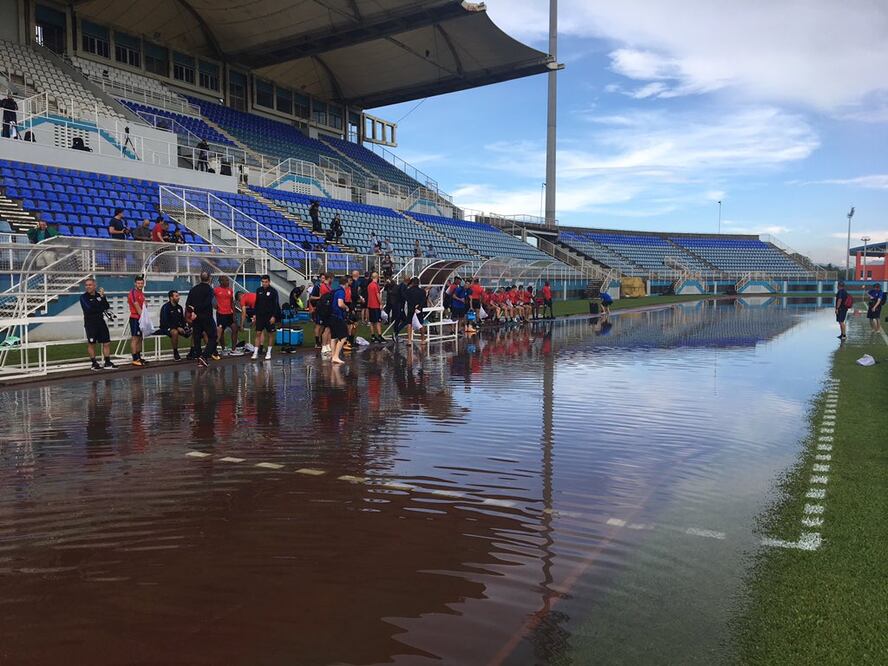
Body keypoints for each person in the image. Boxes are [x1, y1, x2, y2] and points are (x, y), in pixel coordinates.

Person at [80, 278, 116, 370]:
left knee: (106, 342)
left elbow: (106, 306)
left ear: (94, 286)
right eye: (86, 285)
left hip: (101, 322)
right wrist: (99, 304)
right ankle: (94, 363)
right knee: (92, 344)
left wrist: (102, 297)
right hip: (90, 324)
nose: (88, 287)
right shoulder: (83, 297)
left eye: (90, 285)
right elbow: (89, 309)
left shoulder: (99, 295)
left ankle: (107, 362)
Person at [186, 271, 219, 366]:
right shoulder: (209, 289)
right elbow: (206, 303)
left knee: (197, 338)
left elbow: (188, 304)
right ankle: (204, 356)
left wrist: (193, 312)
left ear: (200, 278)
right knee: (213, 336)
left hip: (196, 317)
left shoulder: (193, 289)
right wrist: (197, 310)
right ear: (209, 279)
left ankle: (199, 357)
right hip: (206, 316)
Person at [252, 275, 281, 361]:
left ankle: (268, 352)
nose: (264, 283)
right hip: (260, 316)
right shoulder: (259, 290)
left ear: (269, 282)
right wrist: (255, 315)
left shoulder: (273, 291)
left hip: (269, 316)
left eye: (266, 282)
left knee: (270, 334)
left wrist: (273, 316)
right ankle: (255, 352)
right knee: (258, 333)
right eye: (263, 282)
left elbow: (276, 305)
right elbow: (256, 303)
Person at [159, 290, 191, 361]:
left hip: (178, 327)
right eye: (176, 296)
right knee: (175, 332)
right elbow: (165, 322)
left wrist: (185, 327)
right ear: (171, 298)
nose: (178, 297)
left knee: (193, 330)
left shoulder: (179, 307)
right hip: (166, 328)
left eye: (178, 296)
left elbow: (182, 320)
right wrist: (177, 327)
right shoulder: (166, 307)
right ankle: (175, 352)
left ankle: (193, 351)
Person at [215, 275, 238, 354]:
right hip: (221, 314)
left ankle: (233, 349)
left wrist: (234, 314)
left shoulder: (230, 290)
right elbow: (210, 298)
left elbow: (232, 302)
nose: (228, 282)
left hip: (229, 314)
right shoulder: (216, 290)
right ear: (221, 282)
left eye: (228, 280)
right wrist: (214, 305)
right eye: (226, 281)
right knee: (221, 332)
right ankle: (223, 349)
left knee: (235, 329)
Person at [127, 275, 148, 366]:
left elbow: (144, 306)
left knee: (140, 338)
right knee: (135, 338)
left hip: (141, 318)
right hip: (135, 318)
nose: (140, 285)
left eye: (141, 283)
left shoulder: (141, 294)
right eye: (138, 283)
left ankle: (139, 357)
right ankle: (134, 358)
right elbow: (137, 306)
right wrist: (143, 318)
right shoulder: (133, 293)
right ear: (135, 283)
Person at [329, 275, 349, 364]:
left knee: (333, 337)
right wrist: (346, 307)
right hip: (338, 316)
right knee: (343, 336)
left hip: (332, 316)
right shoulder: (341, 292)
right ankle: (336, 356)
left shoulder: (335, 290)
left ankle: (333, 356)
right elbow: (340, 304)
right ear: (346, 283)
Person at [406, 277, 428, 345]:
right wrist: (418, 306)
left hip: (411, 308)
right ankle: (423, 340)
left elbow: (407, 299)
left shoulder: (408, 290)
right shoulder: (422, 291)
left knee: (409, 323)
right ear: (418, 283)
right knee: (421, 324)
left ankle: (409, 340)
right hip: (419, 309)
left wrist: (413, 305)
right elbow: (424, 300)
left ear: (412, 283)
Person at [367, 271, 385, 343]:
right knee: (378, 321)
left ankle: (373, 336)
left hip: (370, 305)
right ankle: (380, 335)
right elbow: (377, 295)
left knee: (372, 321)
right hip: (375, 305)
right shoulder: (376, 285)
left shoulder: (369, 285)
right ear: (377, 277)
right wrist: (381, 303)